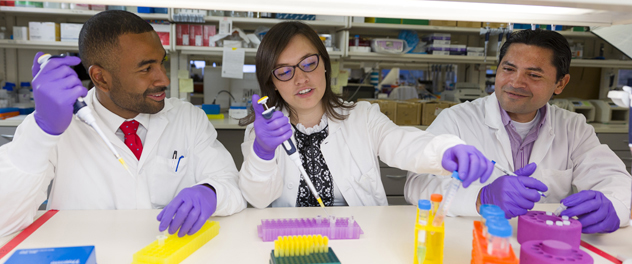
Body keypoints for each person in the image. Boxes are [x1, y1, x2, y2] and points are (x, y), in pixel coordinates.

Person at [0, 10, 246, 238]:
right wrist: (42, 133)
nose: (163, 78)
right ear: (101, 78)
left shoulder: (187, 118)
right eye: (146, 68)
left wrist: (211, 192)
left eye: (162, 62)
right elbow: (5, 221)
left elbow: (232, 186)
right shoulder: (58, 126)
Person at [238, 21, 494, 208]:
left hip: (361, 240)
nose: (301, 78)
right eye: (284, 71)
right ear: (271, 81)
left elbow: (403, 143)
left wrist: (446, 151)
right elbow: (258, 200)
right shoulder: (262, 133)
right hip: (292, 244)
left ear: (324, 65)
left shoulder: (363, 117)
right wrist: (263, 152)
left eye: (308, 63)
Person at [405, 29, 631, 233]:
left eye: (533, 75)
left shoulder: (573, 127)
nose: (515, 82)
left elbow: (613, 177)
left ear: (560, 84)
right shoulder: (457, 119)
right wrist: (480, 199)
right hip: (475, 242)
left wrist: (613, 205)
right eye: (508, 69)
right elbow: (416, 185)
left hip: (546, 244)